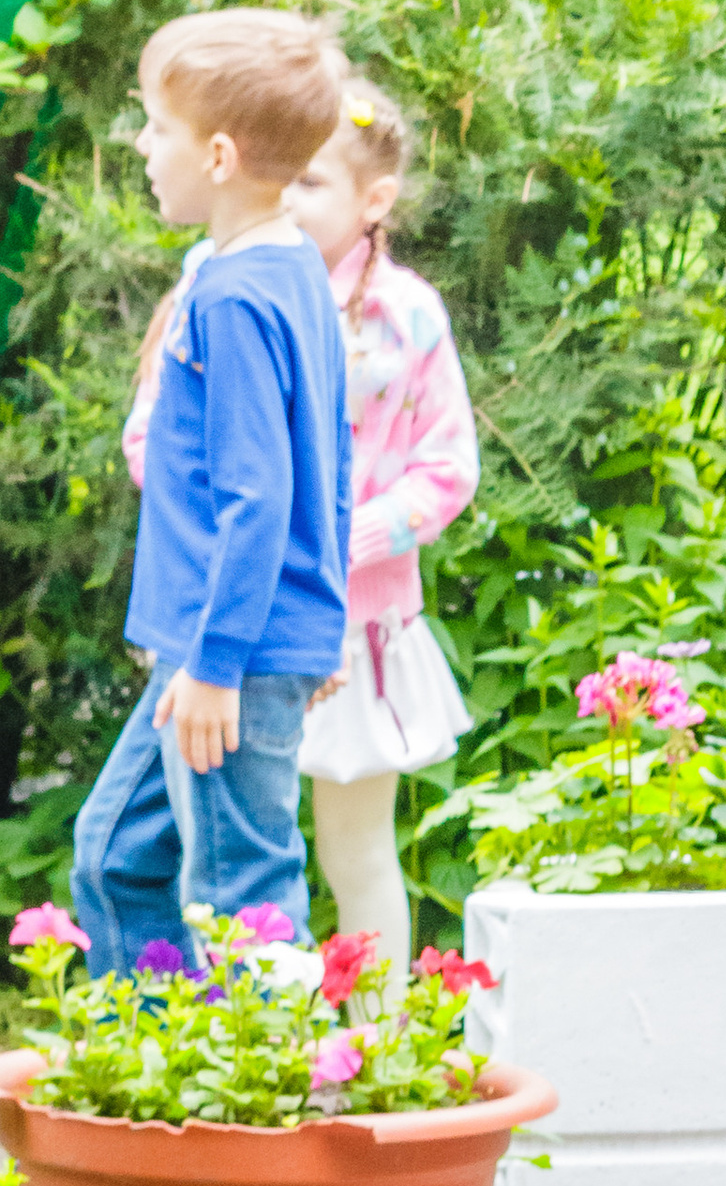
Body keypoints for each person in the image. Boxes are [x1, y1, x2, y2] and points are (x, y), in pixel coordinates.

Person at [126, 76, 481, 978]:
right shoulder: (221, 275)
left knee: (350, 853)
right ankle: (245, 1037)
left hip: (350, 629)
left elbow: (448, 469)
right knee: (222, 842)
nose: (290, 197)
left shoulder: (406, 316)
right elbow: (162, 424)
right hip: (232, 617)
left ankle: (377, 1039)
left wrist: (338, 543)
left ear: (376, 201)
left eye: (314, 184)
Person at [72, 10, 351, 971]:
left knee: (241, 907)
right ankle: (150, 1076)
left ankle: (262, 1104)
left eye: (156, 127)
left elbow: (264, 496)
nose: (143, 148)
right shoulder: (276, 269)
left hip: (223, 657)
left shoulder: (239, 298)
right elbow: (330, 464)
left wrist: (222, 662)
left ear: (221, 155)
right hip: (209, 650)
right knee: (115, 860)